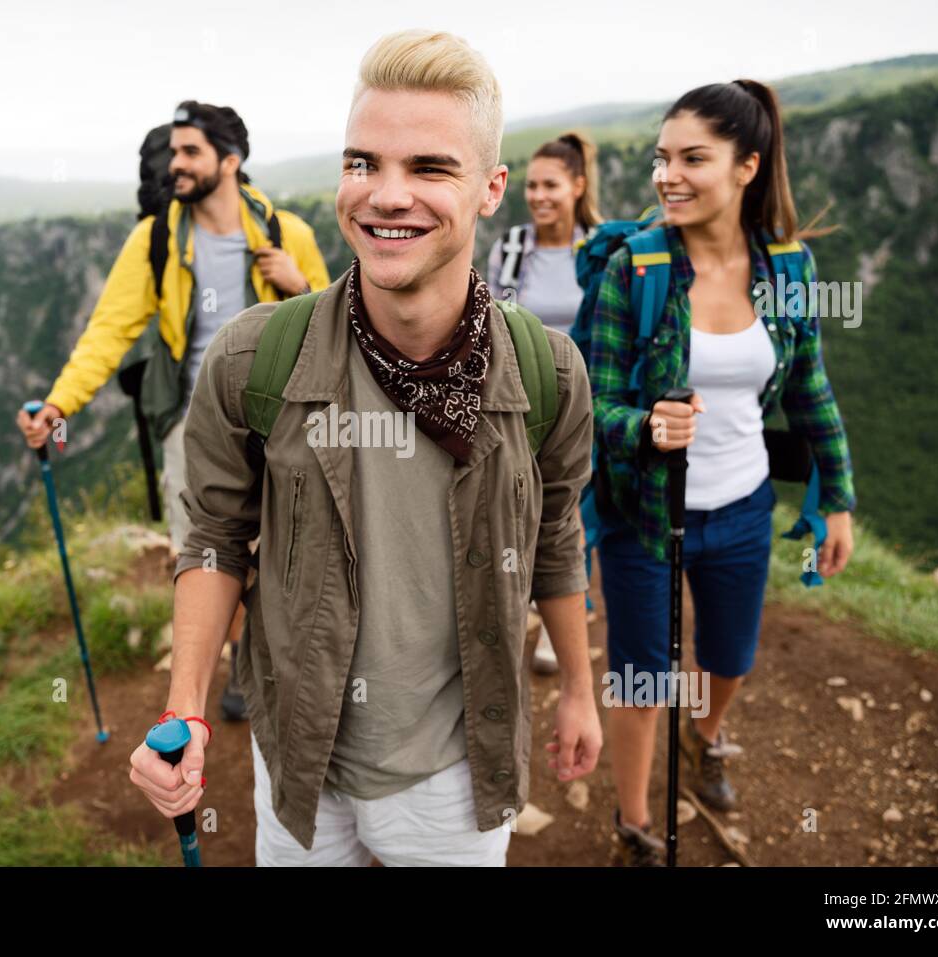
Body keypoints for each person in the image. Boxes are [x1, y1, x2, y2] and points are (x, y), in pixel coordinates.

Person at [129, 30, 602, 866]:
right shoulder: (253, 361)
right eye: (362, 163)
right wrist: (189, 711)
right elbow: (214, 536)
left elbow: (555, 535)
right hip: (300, 764)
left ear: (492, 188)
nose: (386, 195)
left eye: (429, 168)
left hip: (457, 776)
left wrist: (578, 689)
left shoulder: (548, 374)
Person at [589, 79, 856, 865]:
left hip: (740, 509)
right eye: (661, 158)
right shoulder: (634, 272)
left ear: (747, 165)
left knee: (730, 658)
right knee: (643, 680)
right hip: (643, 518)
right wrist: (644, 426)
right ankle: (636, 823)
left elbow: (809, 385)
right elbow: (593, 408)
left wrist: (834, 496)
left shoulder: (789, 267)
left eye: (691, 158)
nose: (667, 175)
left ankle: (704, 734)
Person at [16, 101, 331, 721]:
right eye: (174, 152)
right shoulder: (156, 238)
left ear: (230, 161)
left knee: (289, 542)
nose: (175, 164)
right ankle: (242, 663)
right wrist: (60, 403)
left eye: (190, 152)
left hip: (278, 419)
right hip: (193, 424)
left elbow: (331, 328)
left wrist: (298, 283)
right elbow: (109, 330)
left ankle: (287, 656)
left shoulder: (286, 234)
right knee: (210, 551)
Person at [487, 133, 603, 675]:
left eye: (551, 185)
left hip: (590, 402)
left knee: (575, 511)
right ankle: (522, 606)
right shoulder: (510, 247)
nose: (538, 195)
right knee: (524, 507)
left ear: (578, 187)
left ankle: (566, 622)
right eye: (531, 185)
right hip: (526, 402)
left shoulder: (603, 250)